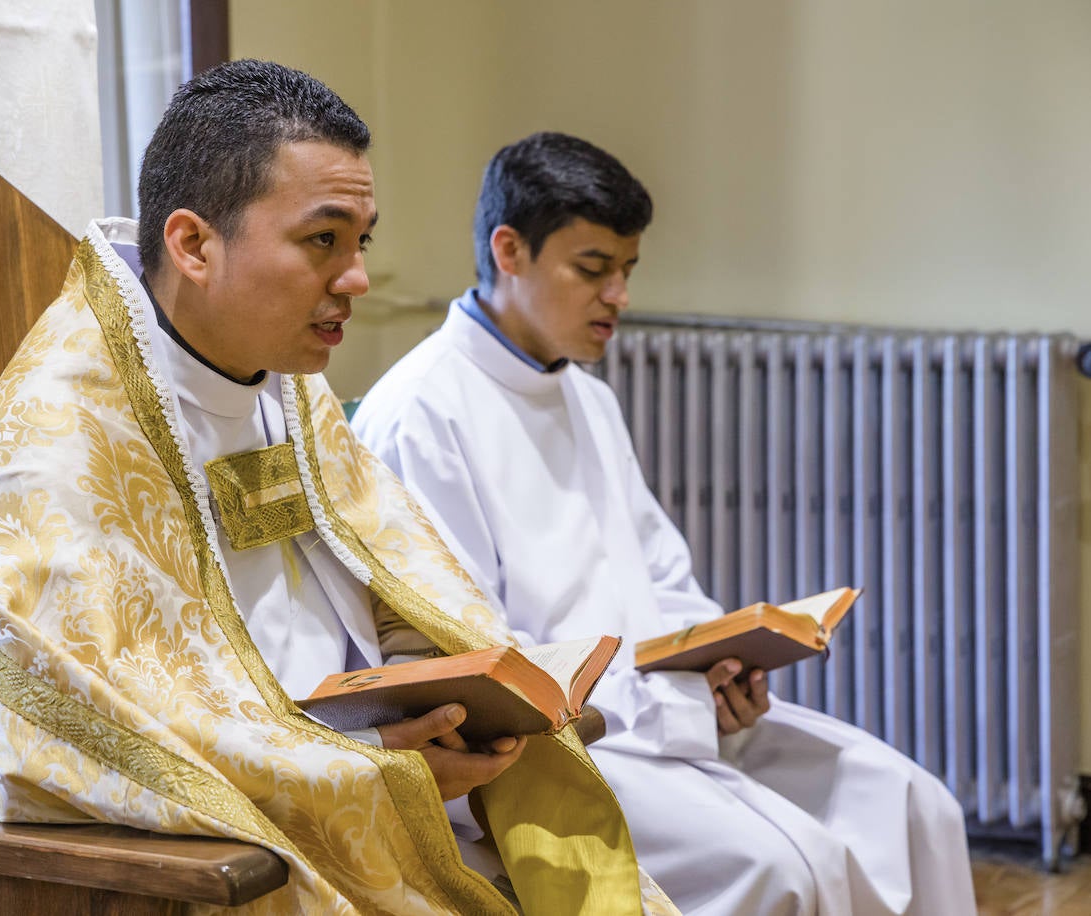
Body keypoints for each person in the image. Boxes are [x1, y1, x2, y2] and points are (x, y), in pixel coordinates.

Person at [0, 67, 675, 915]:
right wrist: (374, 766)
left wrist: (443, 693)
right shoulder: (52, 453)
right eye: (323, 240)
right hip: (219, 858)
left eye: (363, 242)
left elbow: (397, 578)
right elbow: (101, 742)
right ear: (195, 246)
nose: (355, 278)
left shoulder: (285, 386)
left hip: (374, 782)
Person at [354, 131, 978, 915]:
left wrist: (719, 668)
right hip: (559, 752)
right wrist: (675, 706)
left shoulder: (587, 397)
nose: (619, 295)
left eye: (627, 271)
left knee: (915, 803)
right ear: (509, 250)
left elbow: (662, 580)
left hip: (660, 713)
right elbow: (483, 665)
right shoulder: (421, 414)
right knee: (787, 867)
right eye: (593, 269)